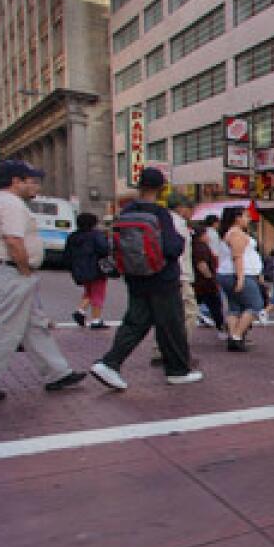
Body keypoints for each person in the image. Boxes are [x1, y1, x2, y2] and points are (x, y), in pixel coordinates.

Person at [0, 160, 86, 401]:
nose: (36, 186)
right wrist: (25, 269)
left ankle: (57, 373)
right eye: (32, 181)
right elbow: (14, 241)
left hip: (6, 271)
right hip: (10, 272)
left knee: (34, 327)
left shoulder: (0, 202)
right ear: (16, 181)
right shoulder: (11, 204)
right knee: (5, 329)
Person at [90, 167, 202, 390]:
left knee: (136, 321)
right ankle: (177, 370)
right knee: (171, 323)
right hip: (162, 277)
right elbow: (171, 248)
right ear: (161, 188)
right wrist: (181, 241)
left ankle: (110, 362)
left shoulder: (126, 211)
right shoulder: (160, 214)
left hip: (135, 276)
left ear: (139, 186)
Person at [152, 194, 199, 364]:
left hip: (164, 275)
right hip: (179, 275)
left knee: (166, 314)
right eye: (190, 208)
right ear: (180, 207)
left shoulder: (161, 221)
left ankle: (160, 349)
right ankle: (178, 350)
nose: (191, 212)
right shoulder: (177, 224)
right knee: (189, 313)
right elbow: (177, 252)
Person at [217, 205, 265, 351]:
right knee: (255, 305)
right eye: (246, 216)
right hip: (239, 274)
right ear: (237, 218)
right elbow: (237, 257)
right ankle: (236, 336)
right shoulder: (236, 234)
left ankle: (233, 335)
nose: (248, 219)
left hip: (229, 274)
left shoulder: (231, 233)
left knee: (234, 307)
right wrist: (240, 278)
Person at [63, 212, 112, 330]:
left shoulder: (73, 236)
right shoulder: (96, 235)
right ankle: (96, 320)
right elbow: (104, 249)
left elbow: (67, 254)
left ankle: (80, 311)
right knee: (98, 293)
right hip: (96, 268)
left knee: (89, 292)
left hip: (80, 270)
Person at [191, 223, 226, 337]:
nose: (208, 236)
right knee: (215, 306)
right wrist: (210, 278)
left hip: (199, 283)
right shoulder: (201, 247)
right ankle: (221, 329)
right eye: (206, 234)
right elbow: (202, 265)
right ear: (202, 235)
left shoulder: (194, 246)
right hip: (205, 284)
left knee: (197, 304)